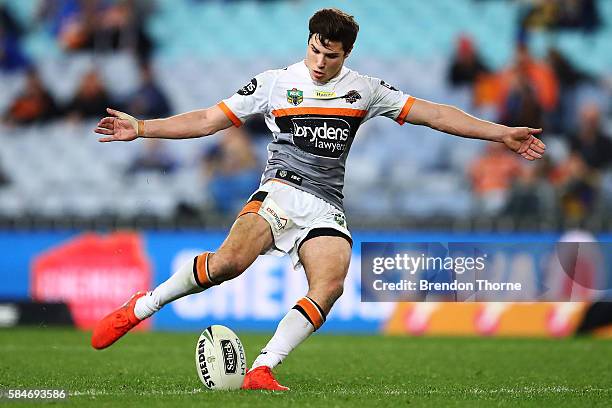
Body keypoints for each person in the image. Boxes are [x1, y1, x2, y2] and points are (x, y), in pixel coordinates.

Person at [91, 8, 546, 391]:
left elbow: (436, 114)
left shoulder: (365, 90)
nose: (320, 61)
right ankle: (143, 306)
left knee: (330, 285)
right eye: (315, 49)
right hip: (280, 190)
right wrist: (143, 128)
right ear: (308, 40)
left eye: (331, 55)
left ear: (346, 54)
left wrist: (500, 132)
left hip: (326, 202)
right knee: (227, 265)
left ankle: (262, 368)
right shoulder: (274, 83)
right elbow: (210, 119)